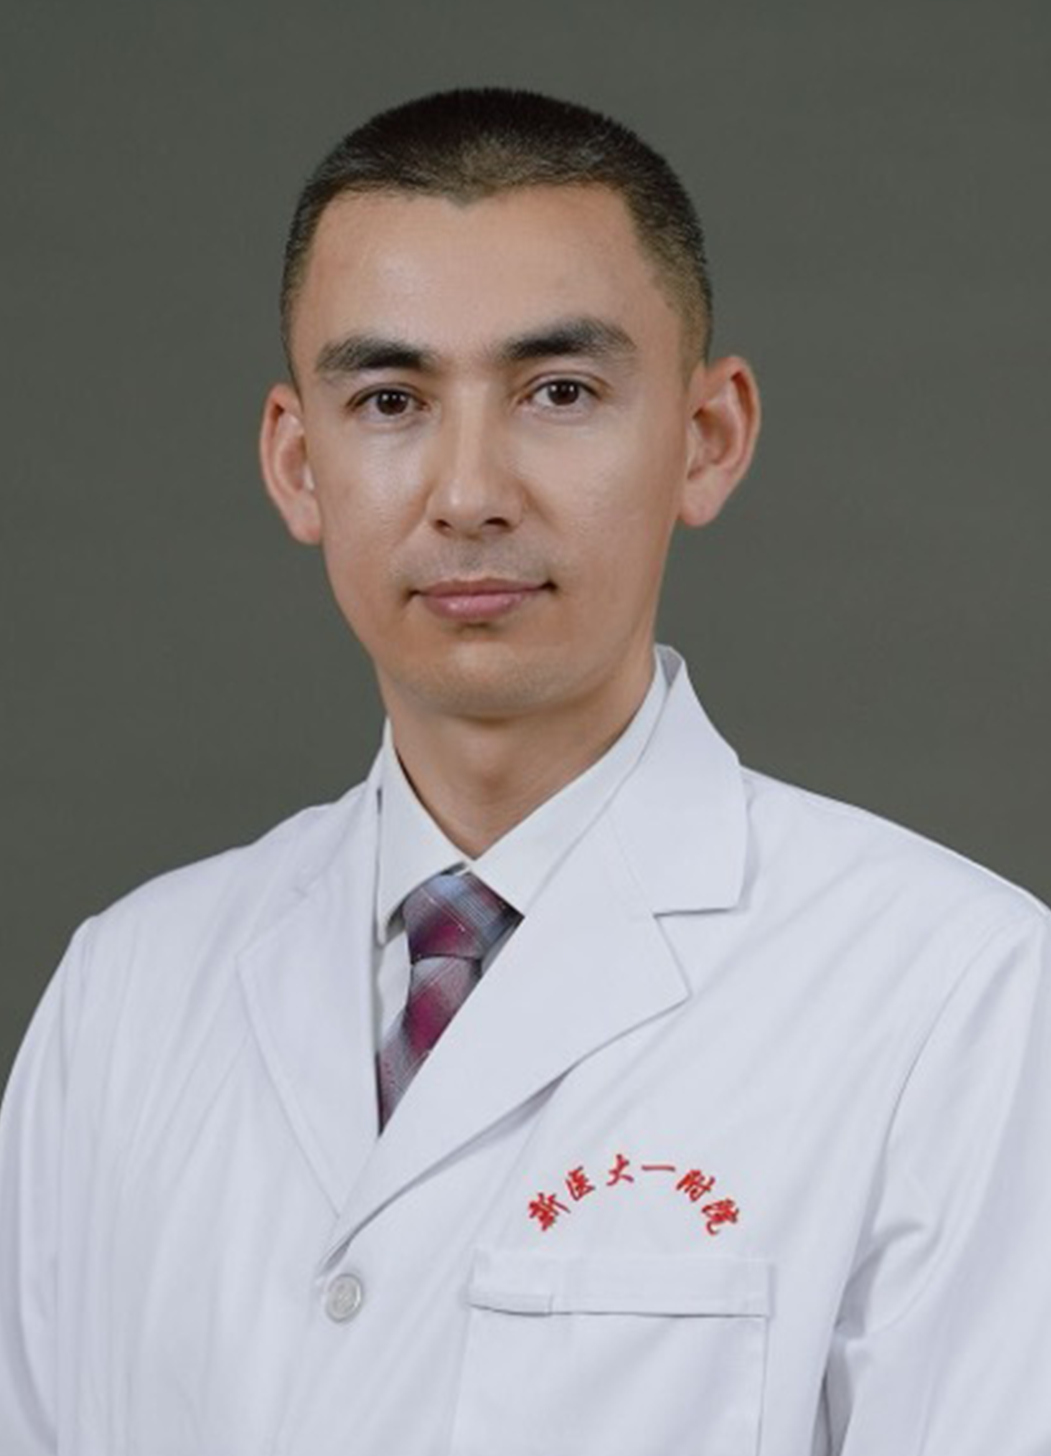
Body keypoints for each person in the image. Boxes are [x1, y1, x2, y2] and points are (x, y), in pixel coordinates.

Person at [1, 87, 1048, 1456]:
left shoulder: (954, 998)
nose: (469, 492)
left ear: (708, 438)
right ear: (298, 463)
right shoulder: (127, 997)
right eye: (389, 400)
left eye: (560, 393)